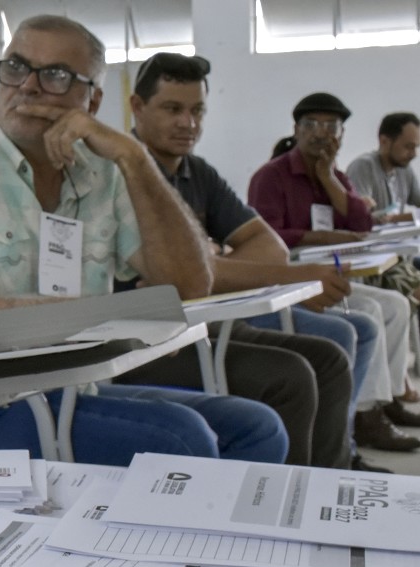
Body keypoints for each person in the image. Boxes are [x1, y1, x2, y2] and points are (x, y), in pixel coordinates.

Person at [0, 14, 287, 466]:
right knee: (181, 441)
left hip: (65, 387)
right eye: (15, 66)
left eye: (55, 75)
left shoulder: (101, 169)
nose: (27, 86)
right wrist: (76, 319)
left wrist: (134, 157)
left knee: (256, 428)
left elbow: (189, 284)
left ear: (92, 100)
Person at [118, 52, 358, 469]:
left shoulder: (198, 173)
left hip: (207, 323)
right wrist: (204, 266)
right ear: (137, 107)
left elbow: (270, 247)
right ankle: (285, 499)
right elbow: (191, 276)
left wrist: (205, 267)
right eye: (173, 109)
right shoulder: (121, 174)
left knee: (330, 358)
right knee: (290, 375)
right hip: (150, 341)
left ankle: (325, 483)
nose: (188, 123)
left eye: (197, 111)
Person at [247, 93, 420, 451]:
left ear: (342, 134)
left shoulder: (335, 176)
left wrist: (327, 177)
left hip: (329, 275)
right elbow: (265, 236)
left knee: (396, 305)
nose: (321, 133)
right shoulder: (271, 176)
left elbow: (361, 224)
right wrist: (322, 236)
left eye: (331, 126)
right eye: (311, 124)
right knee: (369, 310)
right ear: (296, 129)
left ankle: (384, 400)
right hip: (291, 281)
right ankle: (366, 416)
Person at [346, 112, 420, 223]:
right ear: (384, 141)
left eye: (416, 147)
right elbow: (358, 218)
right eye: (408, 147)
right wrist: (400, 218)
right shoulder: (363, 167)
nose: (414, 154)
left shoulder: (404, 168)